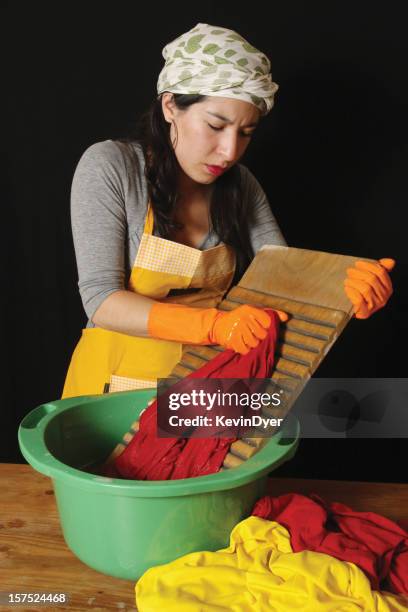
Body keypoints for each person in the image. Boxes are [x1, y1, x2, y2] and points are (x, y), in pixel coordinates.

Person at [61, 23, 394, 399]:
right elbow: (102, 300)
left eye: (246, 132)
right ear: (171, 106)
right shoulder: (111, 167)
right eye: (216, 125)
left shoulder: (242, 185)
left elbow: (284, 279)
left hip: (199, 394)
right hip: (108, 389)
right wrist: (215, 326)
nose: (230, 151)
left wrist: (342, 295)